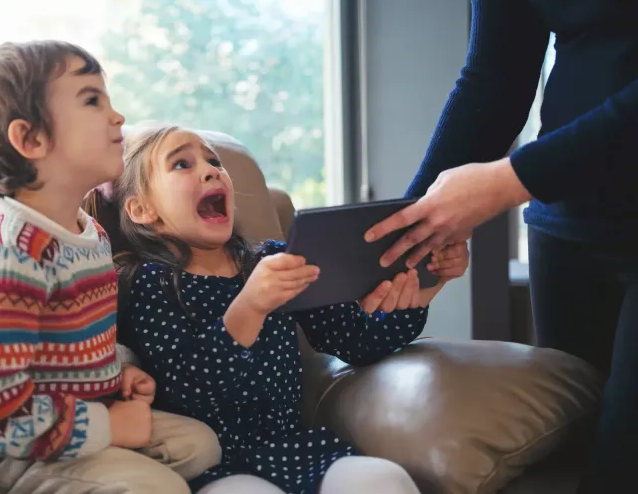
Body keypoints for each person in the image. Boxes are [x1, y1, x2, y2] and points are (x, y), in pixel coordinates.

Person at [83, 121, 470, 494]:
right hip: (212, 464)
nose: (211, 171)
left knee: (382, 480)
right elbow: (190, 389)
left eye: (214, 161)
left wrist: (425, 287)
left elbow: (356, 341)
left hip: (294, 450)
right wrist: (250, 306)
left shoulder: (270, 261)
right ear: (142, 210)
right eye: (182, 164)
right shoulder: (147, 284)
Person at [362, 0, 638, 492]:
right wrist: (415, 227)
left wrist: (514, 178)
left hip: (554, 187)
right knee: (566, 455)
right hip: (568, 228)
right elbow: (495, 76)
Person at [0, 41, 221, 494]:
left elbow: (74, 345)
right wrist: (108, 427)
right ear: (31, 140)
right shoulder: (7, 260)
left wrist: (117, 373)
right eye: (92, 100)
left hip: (67, 415)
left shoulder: (89, 235)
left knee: (200, 446)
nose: (118, 116)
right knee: (161, 488)